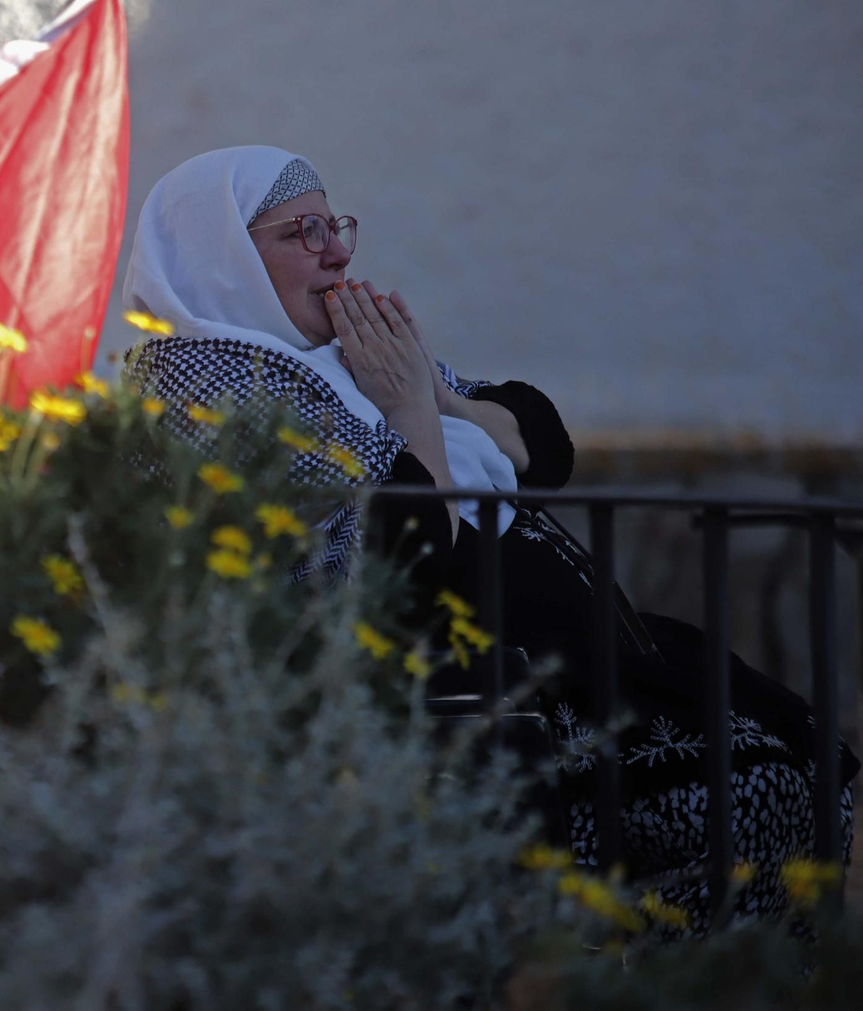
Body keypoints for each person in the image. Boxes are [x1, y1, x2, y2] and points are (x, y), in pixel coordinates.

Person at [120, 145, 857, 934]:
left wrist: (436, 397)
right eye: (303, 232)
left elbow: (541, 441)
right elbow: (399, 557)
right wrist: (409, 411)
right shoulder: (203, 386)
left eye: (336, 225)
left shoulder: (337, 354)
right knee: (756, 802)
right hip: (467, 715)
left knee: (802, 759)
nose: (337, 250)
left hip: (563, 669)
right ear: (225, 254)